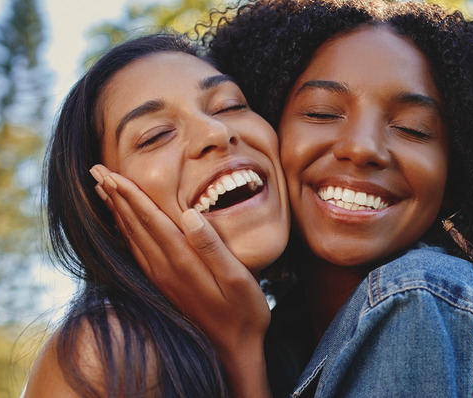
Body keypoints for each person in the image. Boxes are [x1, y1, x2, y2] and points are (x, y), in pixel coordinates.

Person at [101, 0, 473, 397]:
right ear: (269, 133)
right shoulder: (275, 337)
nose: (364, 148)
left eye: (413, 130)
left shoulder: (418, 301)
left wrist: (240, 354)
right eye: (323, 113)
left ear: (454, 177)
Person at [23, 33, 290, 397]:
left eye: (229, 106)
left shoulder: (304, 340)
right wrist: (239, 352)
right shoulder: (106, 351)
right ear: (107, 210)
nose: (216, 131)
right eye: (156, 135)